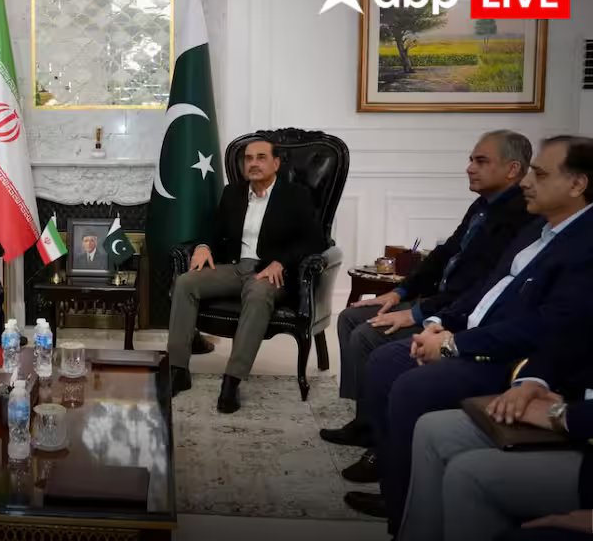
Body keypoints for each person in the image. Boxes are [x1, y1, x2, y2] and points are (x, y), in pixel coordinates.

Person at [343, 136, 593, 532]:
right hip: (472, 331)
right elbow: (483, 287)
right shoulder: (536, 228)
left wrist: (452, 342)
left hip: (507, 356)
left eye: (540, 174)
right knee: (379, 348)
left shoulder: (581, 244)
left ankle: (397, 502)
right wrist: (440, 322)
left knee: (406, 380)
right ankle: (391, 477)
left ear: (577, 184)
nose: (528, 182)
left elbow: (550, 326)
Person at [322, 130, 535, 482]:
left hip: (454, 310)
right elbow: (443, 255)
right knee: (349, 318)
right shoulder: (482, 204)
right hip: (436, 297)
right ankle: (367, 421)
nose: (469, 168)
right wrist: (400, 292)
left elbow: (478, 287)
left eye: (481, 161)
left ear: (512, 169)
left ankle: (381, 443)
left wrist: (417, 313)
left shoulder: (519, 216)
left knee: (367, 335)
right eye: (471, 159)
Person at [167, 137, 325, 413]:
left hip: (270, 274)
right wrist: (203, 246)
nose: (253, 163)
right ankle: (178, 369)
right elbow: (212, 228)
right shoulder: (233, 193)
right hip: (235, 267)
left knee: (258, 292)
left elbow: (315, 240)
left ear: (276, 163)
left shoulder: (294, 195)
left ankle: (232, 380)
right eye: (248, 158)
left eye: (261, 157)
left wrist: (281, 262)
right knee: (185, 283)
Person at [399, 334, 593, 541]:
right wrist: (532, 382)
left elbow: (537, 324)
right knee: (434, 427)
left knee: (468, 473)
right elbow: (571, 334)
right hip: (567, 402)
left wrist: (564, 416)